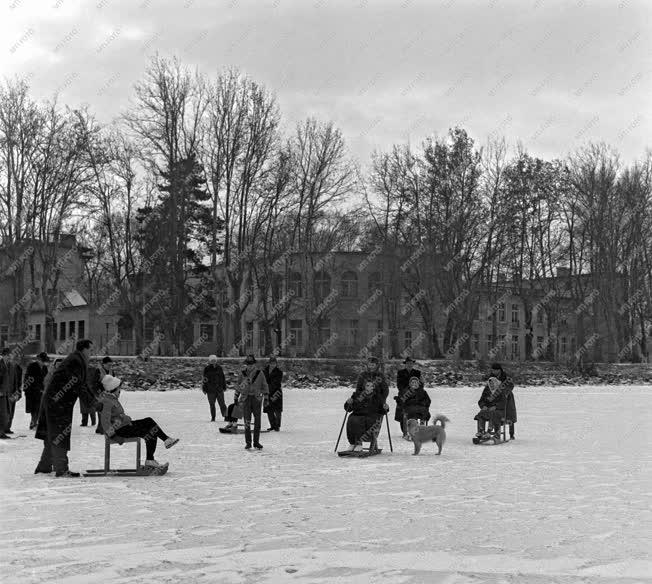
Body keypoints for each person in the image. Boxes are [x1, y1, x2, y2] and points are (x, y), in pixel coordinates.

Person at [34, 339, 94, 477]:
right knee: (59, 434)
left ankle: (44, 466)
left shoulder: (76, 359)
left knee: (52, 434)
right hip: (57, 403)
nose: (92, 353)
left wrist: (94, 401)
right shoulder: (76, 361)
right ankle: (61, 469)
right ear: (83, 349)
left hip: (56, 401)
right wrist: (95, 404)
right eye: (90, 350)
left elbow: (82, 385)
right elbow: (79, 385)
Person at [99, 375, 179, 468]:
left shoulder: (112, 399)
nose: (120, 392)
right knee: (150, 431)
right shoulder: (107, 402)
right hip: (120, 431)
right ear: (113, 389)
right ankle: (151, 458)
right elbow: (105, 422)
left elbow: (118, 416)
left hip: (125, 426)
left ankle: (164, 442)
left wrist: (125, 418)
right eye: (119, 390)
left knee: (149, 422)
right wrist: (114, 436)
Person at [343, 375, 389, 452]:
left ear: (374, 387)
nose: (369, 387)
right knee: (351, 419)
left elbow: (382, 411)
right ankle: (352, 443)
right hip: (357, 415)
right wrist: (348, 403)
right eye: (367, 385)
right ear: (364, 386)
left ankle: (358, 443)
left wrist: (386, 408)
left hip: (371, 418)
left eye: (372, 386)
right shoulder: (357, 395)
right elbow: (349, 409)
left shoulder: (377, 397)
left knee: (359, 420)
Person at [474, 363, 516, 439]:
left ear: (499, 370)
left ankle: (504, 433)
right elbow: (482, 399)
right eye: (492, 370)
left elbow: (509, 387)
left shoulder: (505, 378)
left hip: (504, 399)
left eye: (495, 370)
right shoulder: (490, 381)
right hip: (492, 403)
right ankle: (481, 432)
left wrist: (502, 393)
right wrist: (484, 406)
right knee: (482, 414)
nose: (493, 371)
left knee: (507, 415)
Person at [237, 354, 269, 450]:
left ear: (254, 364)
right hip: (246, 399)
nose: (250, 366)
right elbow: (238, 386)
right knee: (247, 421)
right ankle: (248, 443)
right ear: (246, 365)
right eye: (248, 364)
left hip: (256, 399)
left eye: (251, 364)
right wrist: (236, 397)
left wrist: (266, 397)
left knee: (257, 421)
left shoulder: (260, 373)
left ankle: (256, 442)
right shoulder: (242, 373)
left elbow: (264, 385)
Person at [395, 356, 422, 436]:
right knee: (403, 411)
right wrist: (406, 392)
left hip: (415, 394)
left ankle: (414, 427)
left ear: (413, 364)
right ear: (405, 364)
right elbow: (399, 385)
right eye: (408, 363)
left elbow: (420, 385)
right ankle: (404, 429)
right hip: (404, 394)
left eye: (411, 363)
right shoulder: (400, 372)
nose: (409, 365)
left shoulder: (417, 373)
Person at [23, 352, 50, 430]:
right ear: (39, 359)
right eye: (42, 360)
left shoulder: (44, 368)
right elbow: (29, 379)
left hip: (41, 391)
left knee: (39, 408)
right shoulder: (32, 366)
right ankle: (33, 423)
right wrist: (38, 388)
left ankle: (35, 423)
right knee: (34, 408)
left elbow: (46, 379)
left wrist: (45, 388)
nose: (44, 362)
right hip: (32, 391)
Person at [92, 356, 116, 434]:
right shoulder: (98, 371)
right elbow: (94, 383)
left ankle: (100, 428)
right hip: (100, 395)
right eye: (108, 365)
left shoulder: (112, 371)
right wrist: (100, 391)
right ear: (104, 364)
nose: (110, 366)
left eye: (111, 365)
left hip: (109, 395)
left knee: (108, 412)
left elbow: (115, 382)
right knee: (102, 411)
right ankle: (102, 428)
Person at [202, 355, 227, 422]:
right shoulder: (207, 369)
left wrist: (224, 386)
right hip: (210, 390)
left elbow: (223, 378)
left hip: (219, 389)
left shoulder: (219, 368)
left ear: (216, 361)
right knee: (212, 404)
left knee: (222, 404)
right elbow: (204, 379)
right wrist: (204, 388)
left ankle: (226, 417)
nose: (213, 361)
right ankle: (213, 417)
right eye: (212, 360)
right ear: (210, 361)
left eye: (214, 360)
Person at [263, 356, 283, 431]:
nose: (273, 365)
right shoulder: (264, 371)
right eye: (271, 363)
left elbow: (276, 383)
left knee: (277, 410)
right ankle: (272, 425)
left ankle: (277, 426)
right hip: (267, 392)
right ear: (269, 363)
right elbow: (263, 381)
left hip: (276, 393)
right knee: (269, 410)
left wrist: (267, 388)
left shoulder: (279, 372)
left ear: (276, 364)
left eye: (274, 363)